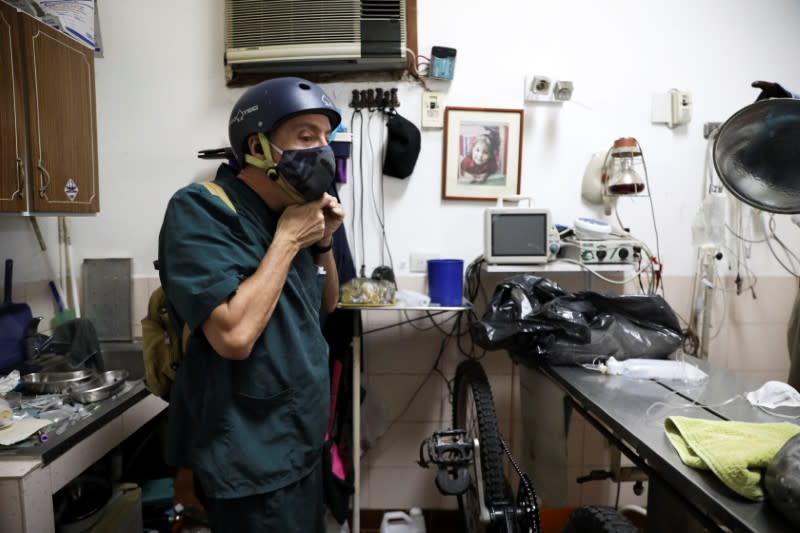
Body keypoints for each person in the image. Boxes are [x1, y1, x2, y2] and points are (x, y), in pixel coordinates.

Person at [157, 77, 345, 532]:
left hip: (300, 443)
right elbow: (234, 336)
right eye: (305, 137)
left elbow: (329, 304)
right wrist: (286, 241)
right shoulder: (200, 210)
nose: (323, 149)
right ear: (257, 146)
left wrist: (323, 243)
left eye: (326, 137)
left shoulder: (293, 213)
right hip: (249, 457)